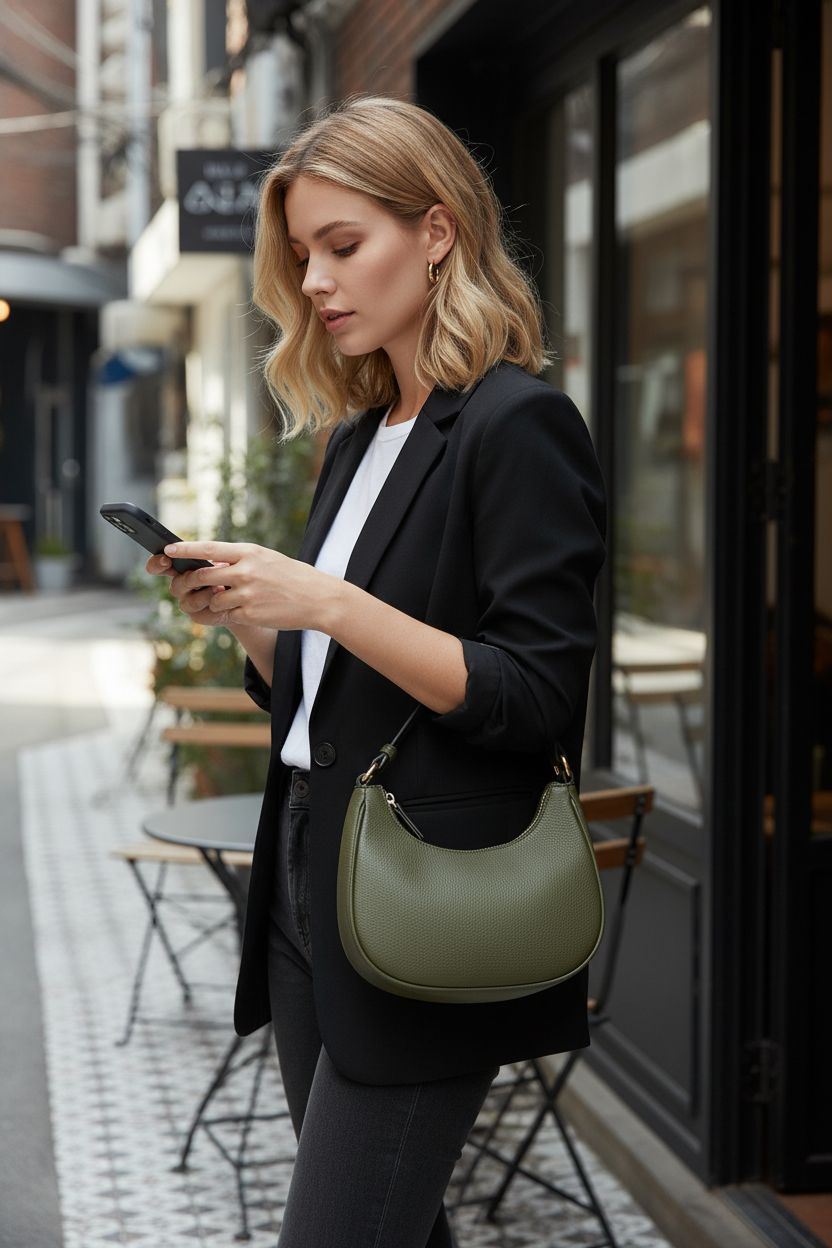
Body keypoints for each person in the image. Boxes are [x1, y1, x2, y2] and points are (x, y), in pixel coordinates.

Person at [146, 94, 607, 1248]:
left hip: (420, 888)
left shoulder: (518, 426)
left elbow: (534, 695)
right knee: (395, 1223)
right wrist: (255, 622)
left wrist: (333, 603)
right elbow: (324, 690)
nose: (314, 282)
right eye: (304, 256)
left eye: (343, 247)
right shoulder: (363, 433)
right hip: (309, 869)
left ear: (437, 232)